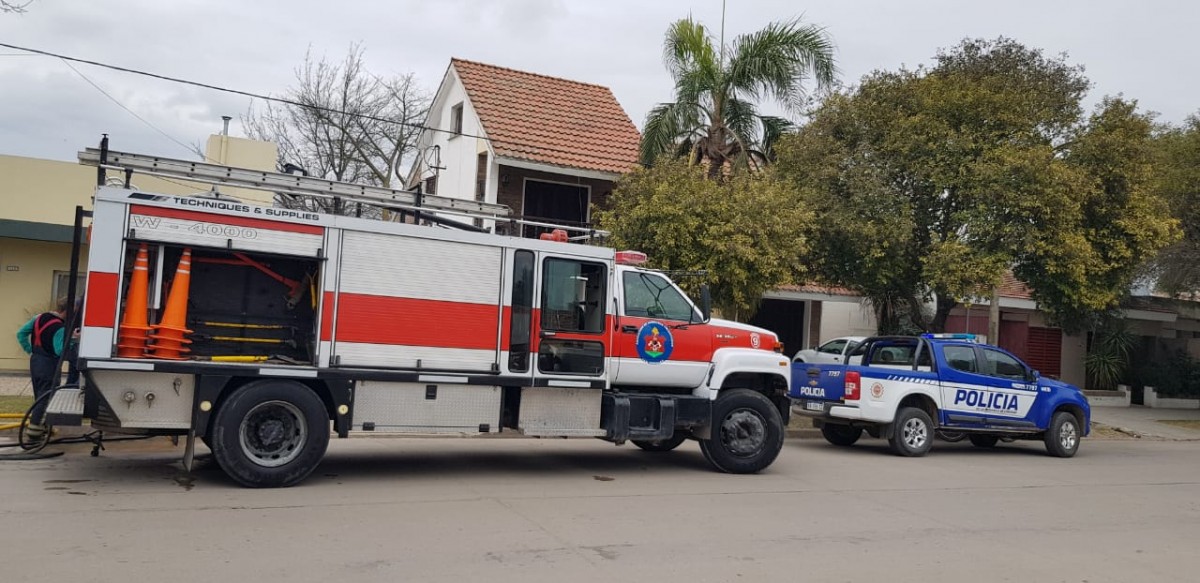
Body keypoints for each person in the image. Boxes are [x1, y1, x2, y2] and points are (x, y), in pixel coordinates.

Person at [15, 297, 70, 442]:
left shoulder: (39, 318)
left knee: (39, 396)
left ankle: (44, 428)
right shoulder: (60, 328)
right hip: (49, 365)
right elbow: (59, 351)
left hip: (35, 362)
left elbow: (20, 334)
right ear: (67, 311)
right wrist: (73, 340)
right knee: (46, 397)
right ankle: (33, 434)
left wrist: (31, 350)